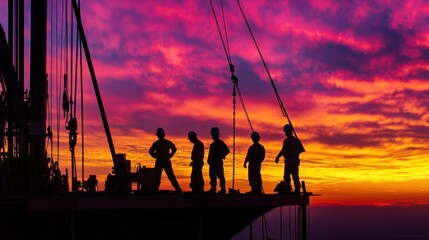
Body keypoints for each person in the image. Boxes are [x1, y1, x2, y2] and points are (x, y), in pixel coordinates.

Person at [149, 128, 182, 193]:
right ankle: (178, 189)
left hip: (161, 161)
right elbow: (174, 149)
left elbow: (151, 151)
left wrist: (156, 156)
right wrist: (170, 155)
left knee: (158, 176)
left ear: (158, 135)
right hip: (165, 160)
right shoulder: (166, 142)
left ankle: (155, 189)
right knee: (170, 175)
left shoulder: (157, 143)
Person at [275, 124, 304, 194]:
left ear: (287, 132)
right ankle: (297, 189)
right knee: (295, 175)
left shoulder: (287, 141)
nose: (285, 133)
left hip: (290, 160)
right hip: (296, 160)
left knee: (287, 176)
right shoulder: (296, 140)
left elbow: (283, 150)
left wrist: (277, 157)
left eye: (285, 132)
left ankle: (287, 189)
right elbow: (301, 150)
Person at [207, 127, 230, 194]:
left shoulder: (220, 143)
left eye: (213, 135)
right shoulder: (212, 145)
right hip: (212, 163)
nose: (212, 136)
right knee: (212, 176)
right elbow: (210, 154)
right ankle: (213, 189)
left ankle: (222, 189)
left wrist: (222, 155)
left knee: (220, 176)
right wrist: (209, 160)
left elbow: (227, 150)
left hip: (218, 163)